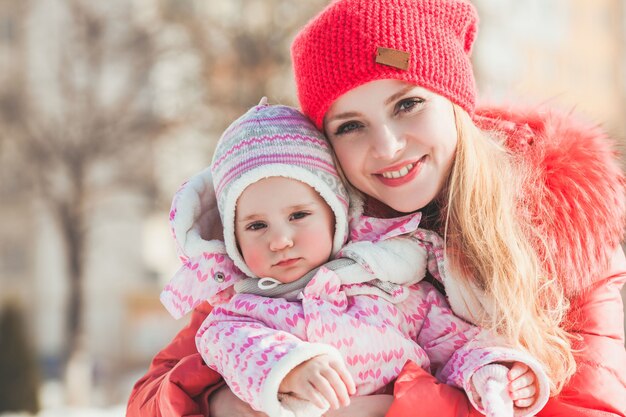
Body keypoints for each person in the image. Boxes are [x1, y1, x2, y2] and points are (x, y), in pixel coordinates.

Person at [126, 0, 626, 416]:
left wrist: (379, 408)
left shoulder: (561, 227)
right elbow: (150, 400)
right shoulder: (299, 236)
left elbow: (590, 408)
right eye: (350, 126)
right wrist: (226, 402)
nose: (386, 147)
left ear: (453, 102)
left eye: (407, 105)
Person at [159, 101, 549, 417]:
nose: (279, 240)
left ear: (335, 216)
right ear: (233, 240)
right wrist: (287, 370)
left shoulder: (389, 284)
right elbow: (228, 344)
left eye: (298, 216)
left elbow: (452, 340)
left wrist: (491, 371)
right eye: (256, 226)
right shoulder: (242, 311)